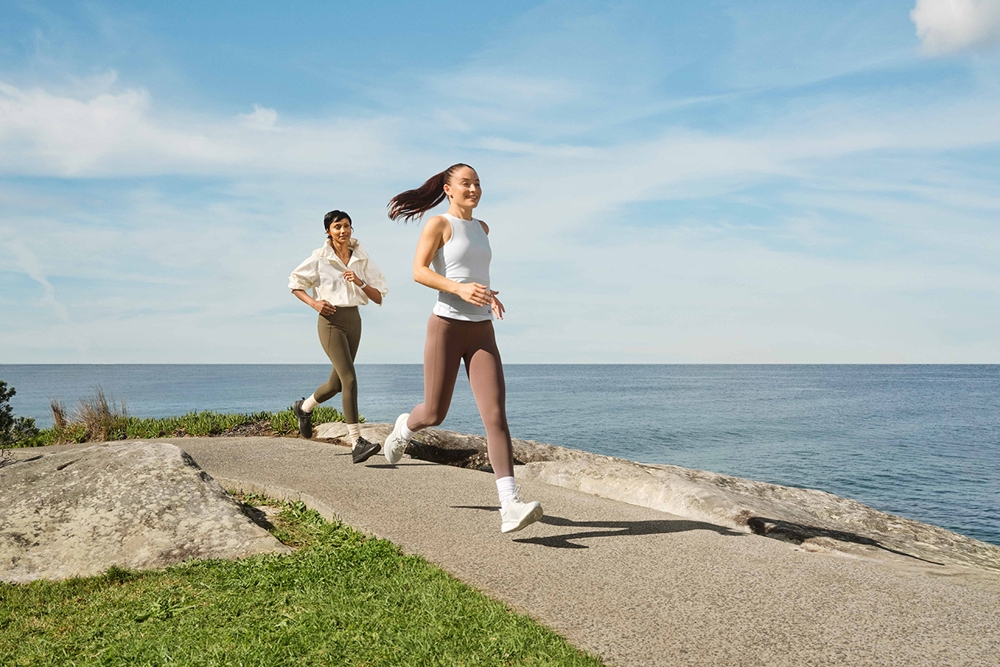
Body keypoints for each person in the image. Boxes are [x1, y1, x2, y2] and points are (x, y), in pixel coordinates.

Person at [382, 163, 543, 534]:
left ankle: (509, 506)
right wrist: (459, 289)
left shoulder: (483, 229)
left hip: (481, 330)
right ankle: (405, 428)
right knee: (434, 413)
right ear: (448, 189)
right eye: (465, 183)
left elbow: (474, 274)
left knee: (496, 415)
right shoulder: (440, 225)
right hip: (446, 328)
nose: (473, 189)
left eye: (478, 183)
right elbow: (419, 271)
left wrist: (487, 294)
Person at [288, 210, 388, 464]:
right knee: (349, 379)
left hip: (354, 321)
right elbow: (295, 283)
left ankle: (304, 407)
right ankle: (357, 442)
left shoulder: (362, 258)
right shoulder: (320, 258)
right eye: (337, 227)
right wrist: (315, 304)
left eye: (347, 226)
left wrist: (360, 282)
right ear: (328, 231)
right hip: (330, 322)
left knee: (335, 384)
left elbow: (379, 296)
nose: (343, 231)